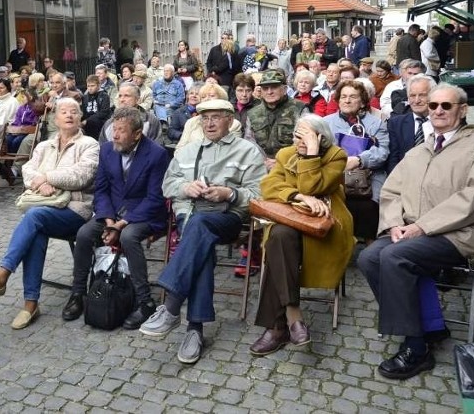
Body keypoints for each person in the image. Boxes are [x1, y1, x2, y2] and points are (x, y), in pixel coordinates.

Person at [357, 83, 474, 380]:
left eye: (446, 106)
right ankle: (429, 326)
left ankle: (417, 348)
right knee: (368, 258)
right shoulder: (420, 150)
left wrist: (422, 227)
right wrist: (395, 224)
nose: (438, 110)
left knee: (395, 258)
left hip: (457, 234)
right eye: (433, 106)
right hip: (410, 230)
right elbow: (391, 190)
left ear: (462, 110)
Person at [139, 99, 265, 364]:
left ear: (231, 121)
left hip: (228, 218)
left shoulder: (247, 151)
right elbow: (168, 185)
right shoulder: (187, 151)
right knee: (199, 237)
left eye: (216, 117)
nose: (209, 123)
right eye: (204, 118)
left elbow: (259, 195)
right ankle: (194, 328)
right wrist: (186, 189)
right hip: (191, 217)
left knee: (199, 229)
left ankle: (172, 306)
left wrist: (229, 193)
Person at [0, 98, 100, 329]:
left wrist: (47, 177)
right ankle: (30, 304)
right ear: (55, 118)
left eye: (74, 112)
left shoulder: (89, 145)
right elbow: (28, 170)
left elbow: (81, 175)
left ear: (80, 118)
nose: (69, 115)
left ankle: (3, 273)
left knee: (33, 217)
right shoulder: (44, 145)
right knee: (36, 229)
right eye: (63, 112)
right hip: (44, 207)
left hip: (75, 211)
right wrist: (40, 184)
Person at [250, 115, 354, 355]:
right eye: (297, 136)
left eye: (306, 137)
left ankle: (277, 328)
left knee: (277, 243)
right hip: (291, 217)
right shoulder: (286, 154)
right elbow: (268, 187)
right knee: (279, 236)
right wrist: (298, 197)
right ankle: (293, 315)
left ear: (320, 138)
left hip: (325, 224)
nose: (299, 141)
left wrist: (311, 154)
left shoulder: (336, 155)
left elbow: (312, 186)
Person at [63, 108, 170, 328]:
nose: (115, 135)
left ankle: (145, 301)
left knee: (129, 237)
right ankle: (78, 293)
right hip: (112, 212)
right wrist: (109, 220)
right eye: (114, 129)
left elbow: (154, 198)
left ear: (137, 134)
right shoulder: (106, 150)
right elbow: (101, 190)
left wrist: (121, 224)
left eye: (121, 131)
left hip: (143, 212)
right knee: (84, 234)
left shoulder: (157, 154)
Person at [324, 81, 389, 240]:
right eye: (343, 97)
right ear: (338, 100)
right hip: (336, 178)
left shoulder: (376, 123)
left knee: (369, 208)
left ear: (362, 101)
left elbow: (383, 152)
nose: (347, 100)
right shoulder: (326, 123)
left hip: (368, 178)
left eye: (353, 97)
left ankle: (369, 254)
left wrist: (360, 160)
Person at [244, 69, 308, 170]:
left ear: (285, 89)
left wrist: (281, 161)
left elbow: (305, 140)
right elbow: (249, 141)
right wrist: (264, 162)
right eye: (265, 88)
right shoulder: (253, 113)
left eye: (274, 87)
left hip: (292, 165)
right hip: (261, 166)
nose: (269, 92)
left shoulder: (300, 109)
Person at [386, 74, 435, 172]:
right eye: (412, 95)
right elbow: (393, 160)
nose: (416, 100)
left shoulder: (444, 122)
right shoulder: (396, 124)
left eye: (422, 95)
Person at [176, 82, 242, 149]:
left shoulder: (233, 124)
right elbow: (180, 149)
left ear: (222, 99)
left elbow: (233, 151)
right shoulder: (191, 122)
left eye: (211, 96)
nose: (206, 99)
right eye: (203, 97)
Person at [81, 75, 113, 140]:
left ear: (98, 85)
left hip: (100, 125)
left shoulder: (104, 96)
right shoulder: (85, 97)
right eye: (88, 86)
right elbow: (84, 112)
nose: (90, 88)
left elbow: (104, 112)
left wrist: (87, 121)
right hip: (88, 126)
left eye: (92, 86)